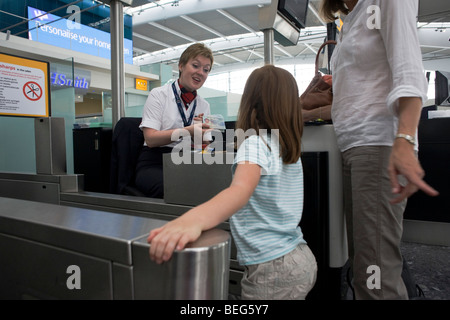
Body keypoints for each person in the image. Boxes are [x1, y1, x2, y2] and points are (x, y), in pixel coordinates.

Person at [147, 65, 317, 300]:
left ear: (250, 103)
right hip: (298, 256)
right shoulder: (285, 146)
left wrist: (192, 220)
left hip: (272, 268)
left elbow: (240, 191)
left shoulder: (256, 144)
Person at [320, 0, 439, 299]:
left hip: (376, 145)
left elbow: (409, 69)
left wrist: (406, 139)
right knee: (367, 264)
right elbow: (358, 95)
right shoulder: (354, 17)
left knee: (374, 276)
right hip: (355, 147)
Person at [135, 43, 213, 198]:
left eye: (206, 70)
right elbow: (150, 139)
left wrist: (200, 137)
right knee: (179, 190)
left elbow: (203, 148)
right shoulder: (158, 95)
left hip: (186, 162)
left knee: (214, 187)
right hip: (155, 163)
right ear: (181, 66)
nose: (200, 73)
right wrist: (187, 131)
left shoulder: (204, 105)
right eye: (195, 65)